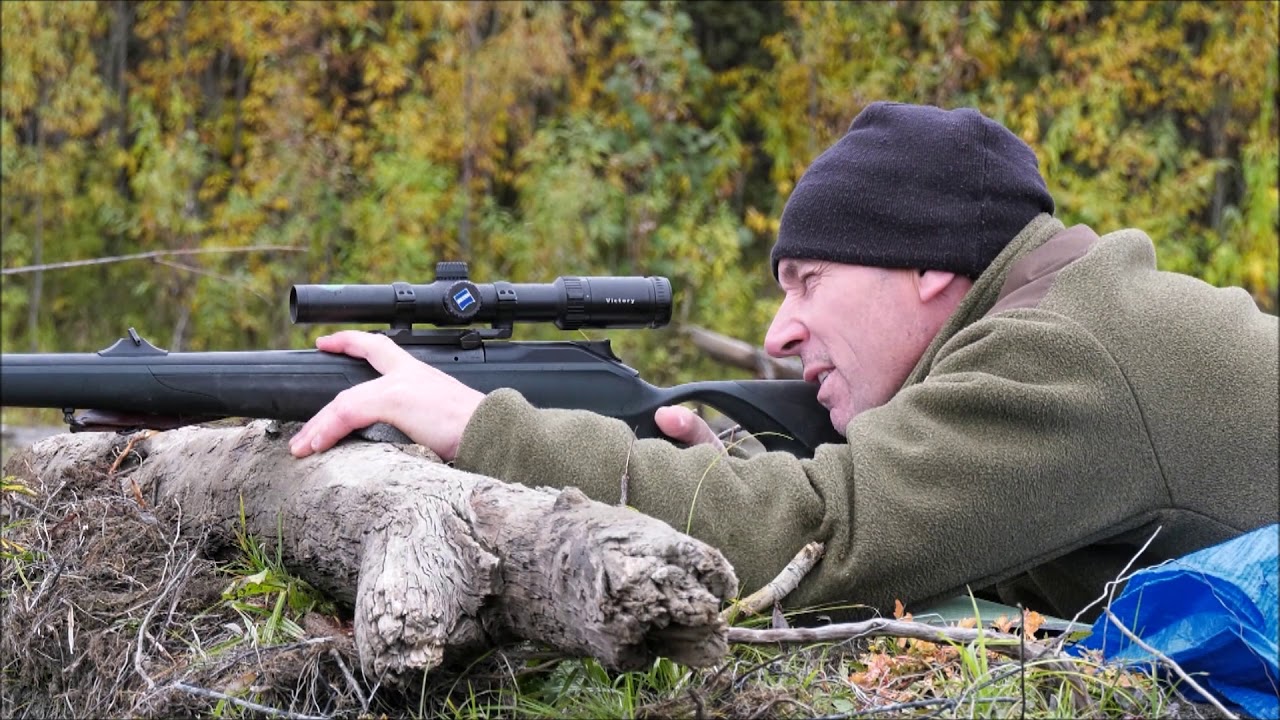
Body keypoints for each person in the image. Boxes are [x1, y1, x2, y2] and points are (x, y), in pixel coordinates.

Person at [289, 102, 1279, 620]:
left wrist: (478, 426)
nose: (776, 331)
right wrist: (742, 477)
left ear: (927, 267)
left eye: (805, 279)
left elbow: (821, 539)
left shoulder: (1061, 352)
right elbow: (942, 532)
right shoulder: (1071, 313)